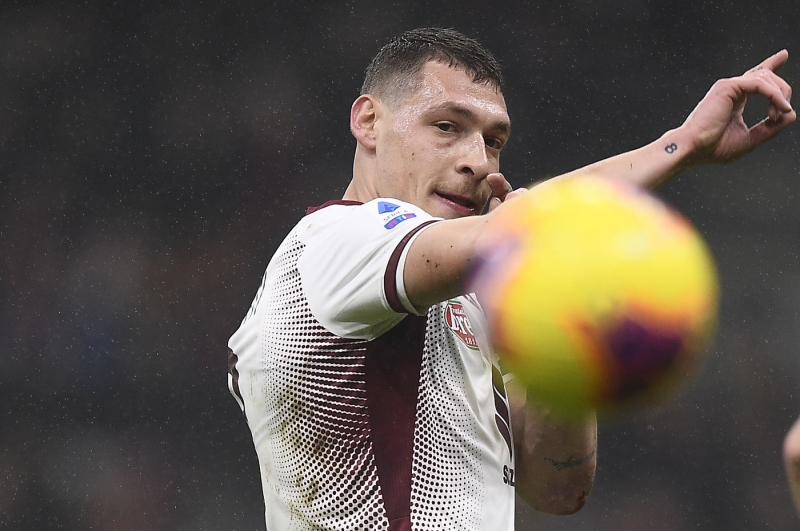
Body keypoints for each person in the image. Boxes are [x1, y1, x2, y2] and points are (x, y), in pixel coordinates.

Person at [227, 28, 794, 531]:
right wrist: (680, 146)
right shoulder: (335, 241)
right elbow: (527, 228)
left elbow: (557, 488)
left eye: (493, 141)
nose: (479, 162)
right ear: (369, 121)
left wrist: (560, 322)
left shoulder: (476, 296)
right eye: (446, 127)